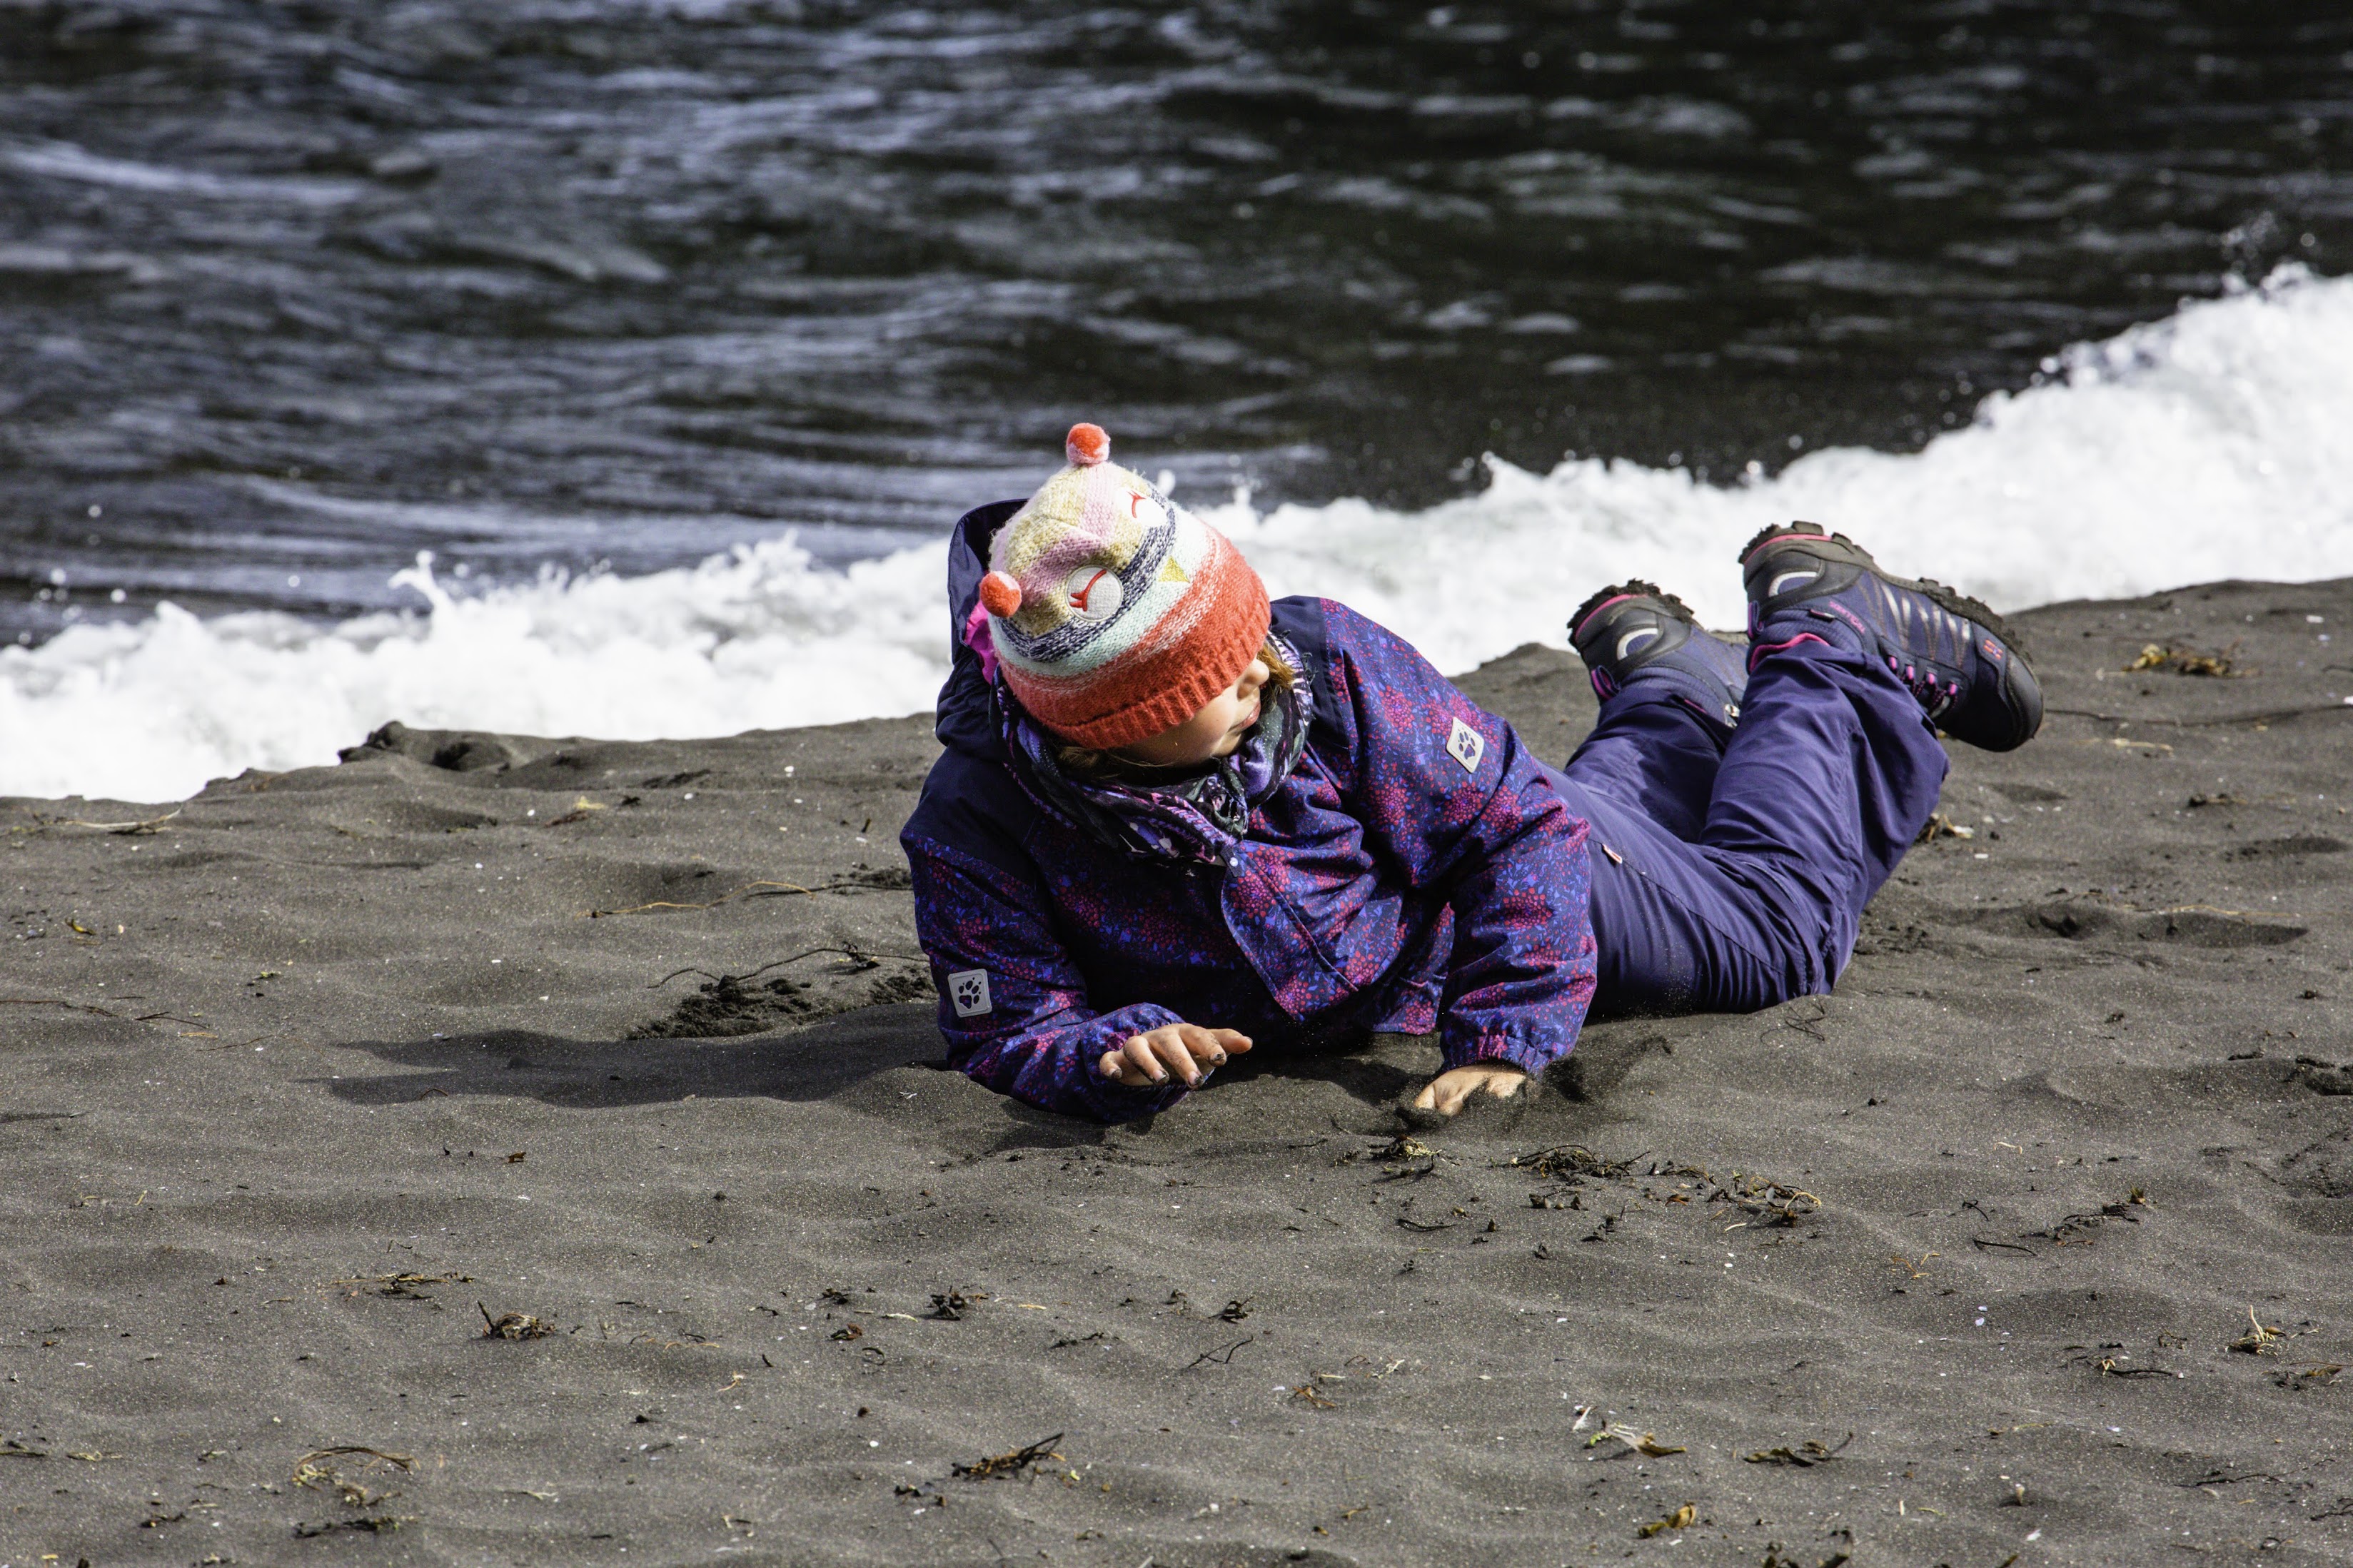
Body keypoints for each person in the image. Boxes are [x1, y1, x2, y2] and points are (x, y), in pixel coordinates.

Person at [901, 424, 2041, 1123]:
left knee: (1775, 934)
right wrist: (1111, 1048)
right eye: (1220, 678)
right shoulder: (977, 824)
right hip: (1476, 882)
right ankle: (1670, 689)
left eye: (1249, 626)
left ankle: (1824, 633)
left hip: (1498, 899)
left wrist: (1503, 1029)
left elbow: (1514, 828)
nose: (1262, 663)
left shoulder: (1326, 665)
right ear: (1103, 742)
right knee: (1633, 832)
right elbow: (1009, 1025)